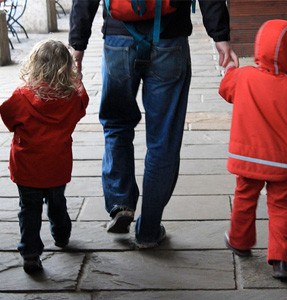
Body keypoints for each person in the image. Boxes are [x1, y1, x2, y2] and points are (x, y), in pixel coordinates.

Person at [69, 0, 238, 248]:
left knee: (117, 124)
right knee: (164, 139)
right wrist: (220, 35)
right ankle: (148, 229)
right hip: (170, 40)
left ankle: (120, 202)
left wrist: (77, 45)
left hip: (119, 39)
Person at [219, 19, 287, 280]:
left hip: (248, 158)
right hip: (283, 164)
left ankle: (240, 241)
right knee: (282, 207)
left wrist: (231, 67)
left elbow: (225, 89)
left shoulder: (244, 77)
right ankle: (281, 259)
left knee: (245, 198)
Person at [0, 40, 89, 274]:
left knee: (28, 210)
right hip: (57, 166)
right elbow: (83, 103)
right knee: (57, 203)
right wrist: (77, 79)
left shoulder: (21, 96)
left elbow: (8, 119)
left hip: (27, 168)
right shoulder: (72, 99)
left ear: (34, 65)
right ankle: (61, 235)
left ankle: (30, 253)